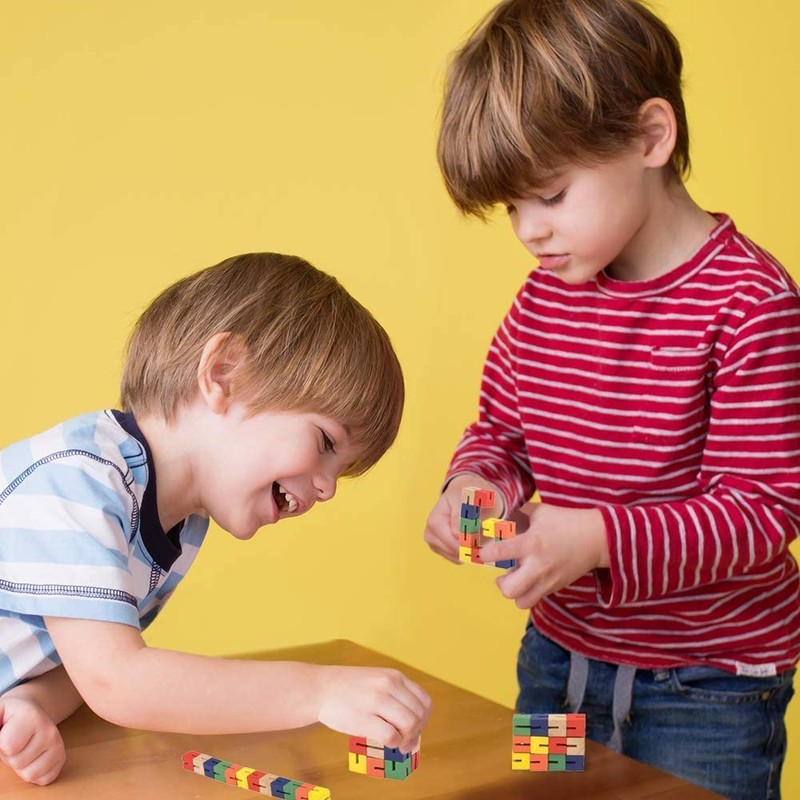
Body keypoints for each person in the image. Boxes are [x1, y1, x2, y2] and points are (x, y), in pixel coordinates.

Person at [424, 1, 800, 798]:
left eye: (551, 195)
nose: (529, 230)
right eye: (511, 207)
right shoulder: (541, 302)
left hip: (709, 689)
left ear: (650, 137)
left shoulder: (749, 303)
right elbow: (502, 433)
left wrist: (598, 538)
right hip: (559, 659)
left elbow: (764, 508)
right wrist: (475, 486)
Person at [0, 252, 431, 786]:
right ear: (223, 374)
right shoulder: (78, 481)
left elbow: (80, 670)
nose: (326, 487)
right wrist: (319, 690)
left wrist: (30, 703)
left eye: (341, 472)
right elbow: (116, 682)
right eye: (324, 443)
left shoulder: (177, 524)